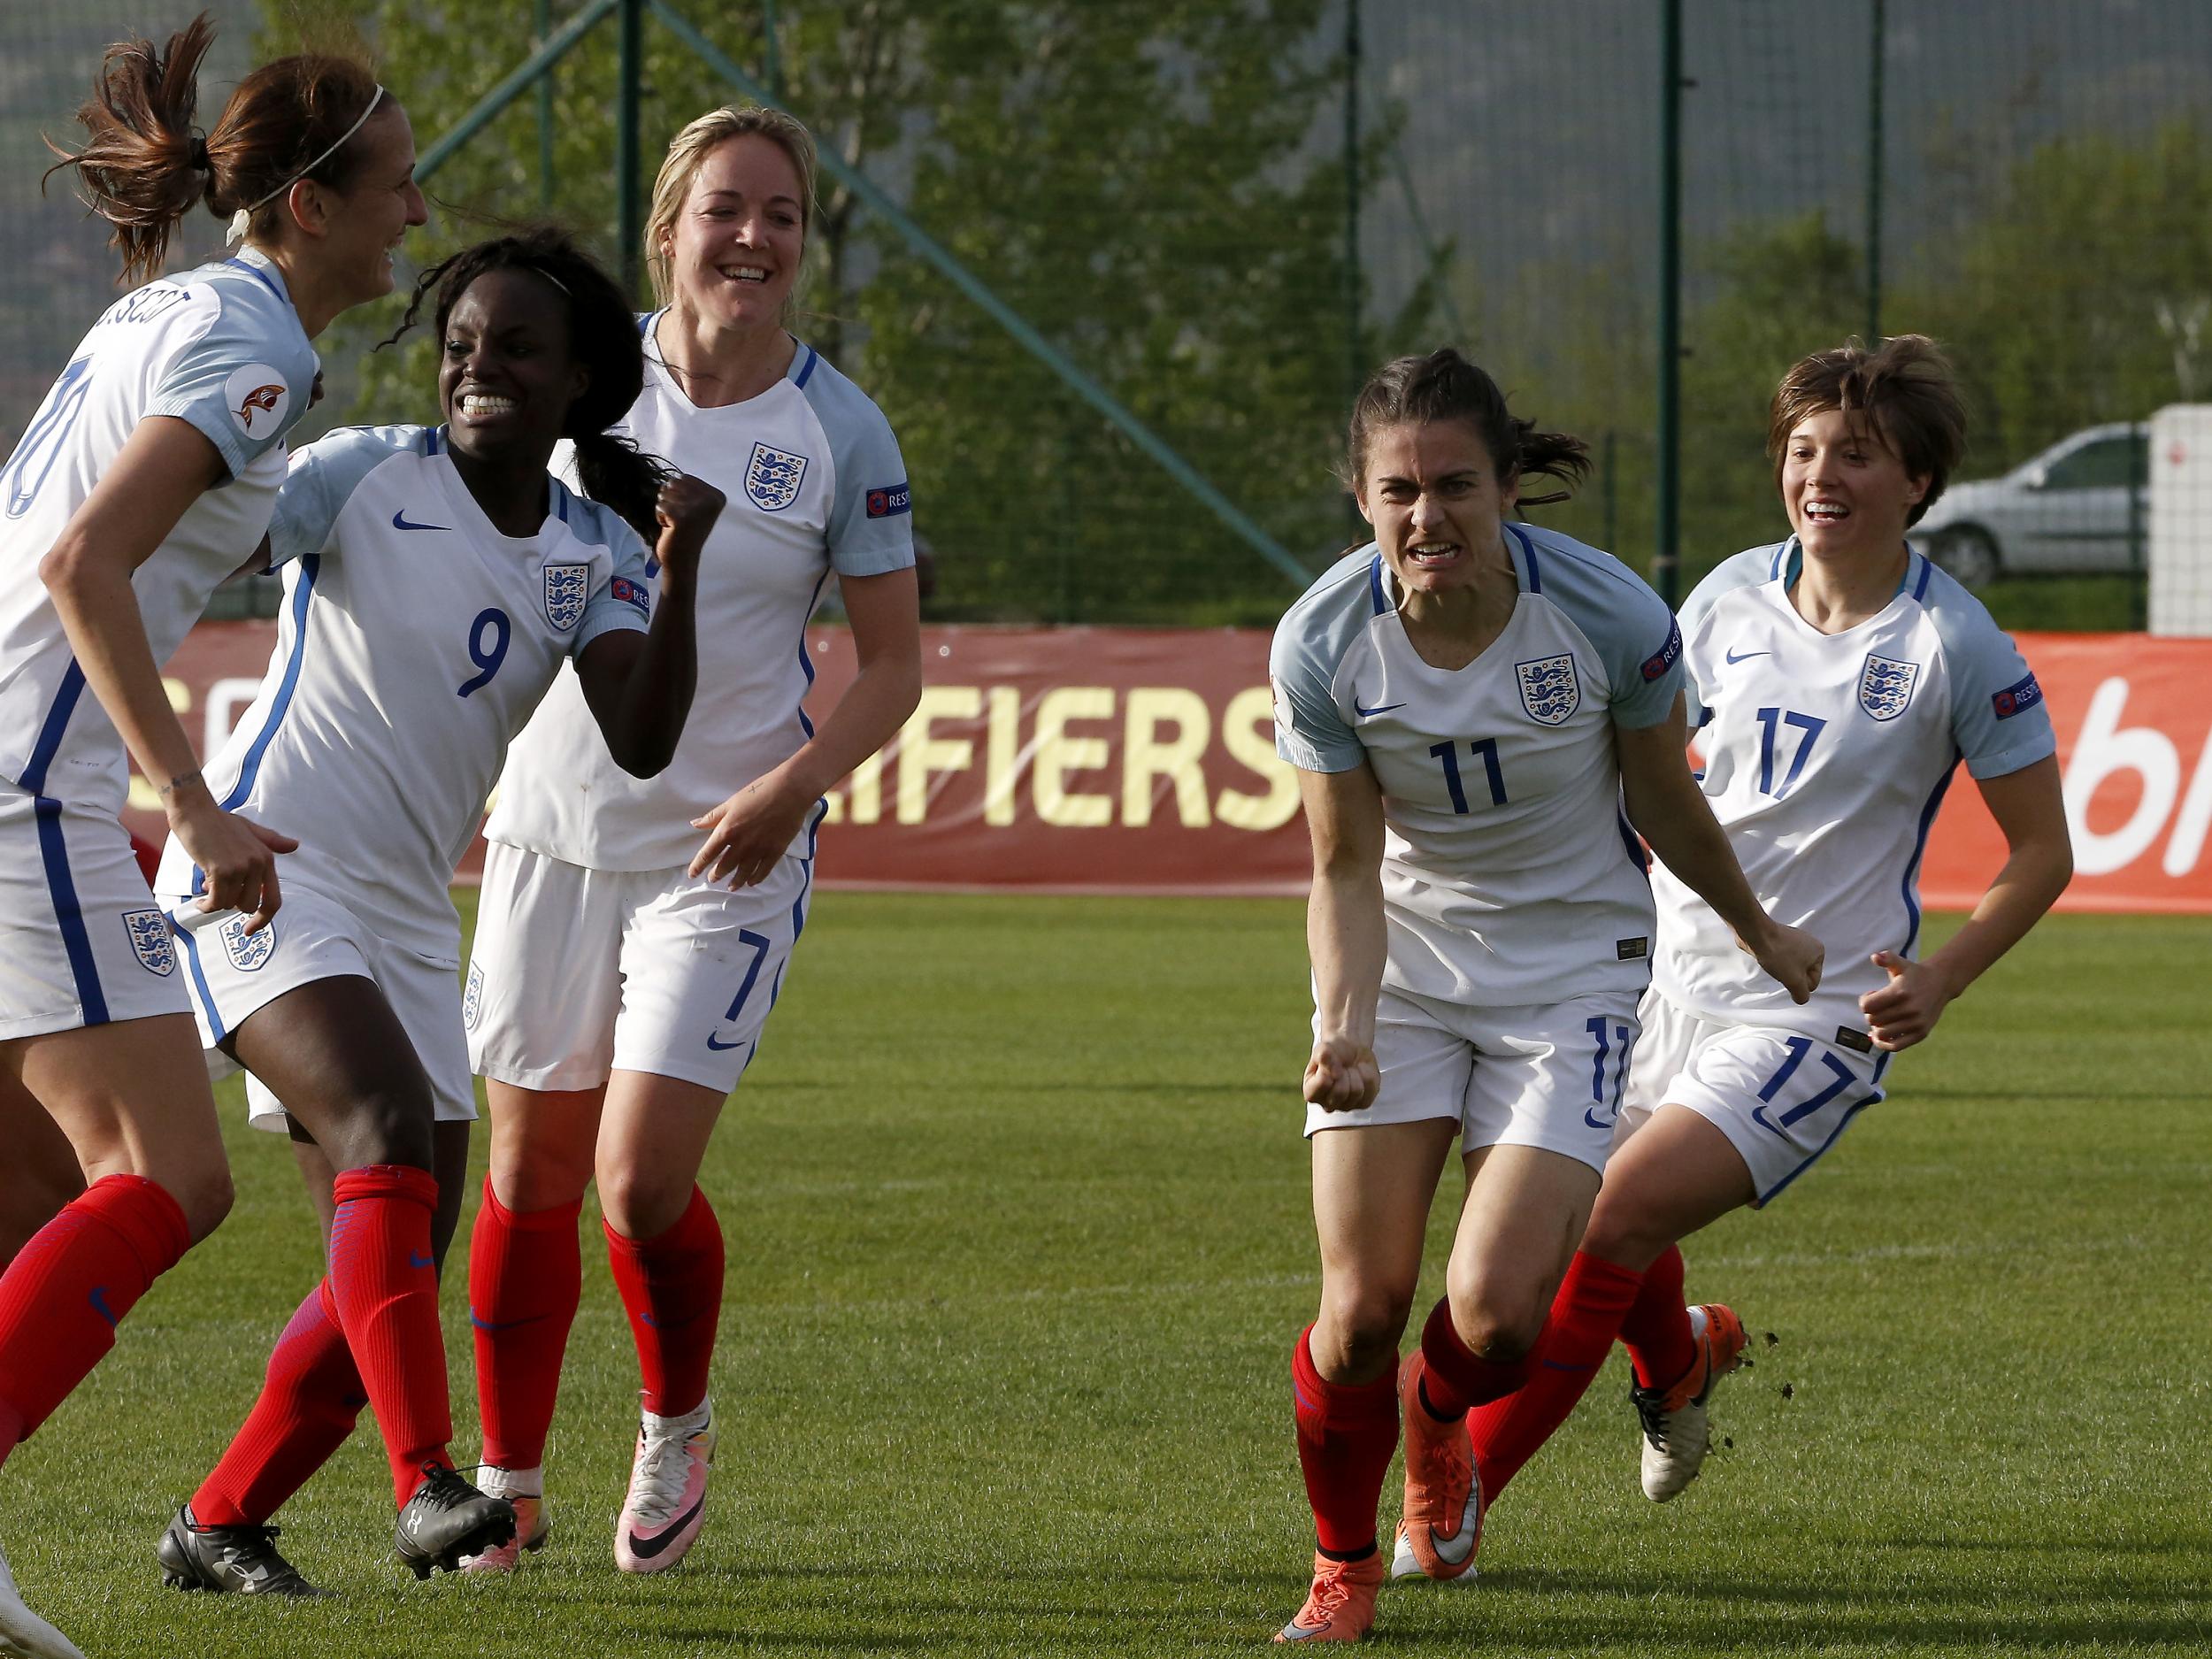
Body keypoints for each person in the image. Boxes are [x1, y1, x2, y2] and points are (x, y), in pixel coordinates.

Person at [146, 227, 723, 1593]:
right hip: (266, 866)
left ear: (578, 377)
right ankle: (425, 1484)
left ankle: (217, 1523)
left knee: (390, 1260)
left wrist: (684, 560)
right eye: (462, 343)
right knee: (382, 1137)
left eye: (516, 347)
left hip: (404, 915)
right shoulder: (356, 477)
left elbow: (643, 740)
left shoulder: (591, 551)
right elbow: (181, 548)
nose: (478, 368)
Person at [1455, 335, 2073, 1541]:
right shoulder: (1725, 594)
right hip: (1651, 984)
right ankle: (1683, 1360)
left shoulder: (1956, 646)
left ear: (1919, 483)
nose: (1821, 474)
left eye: (1857, 453)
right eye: (1803, 450)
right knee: (1573, 1219)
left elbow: (2044, 852)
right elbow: (1650, 768)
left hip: (1813, 1015)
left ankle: (1455, 1505)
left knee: (1617, 1215)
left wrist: (1940, 978)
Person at [1268, 349, 1823, 1643]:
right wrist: (1344, 1027)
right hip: (1404, 974)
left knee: (1498, 1320)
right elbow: (1343, 865)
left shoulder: (1611, 617)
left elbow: (1662, 799)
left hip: (1572, 972)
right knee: (1357, 1318)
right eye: (1398, 490)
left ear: (1509, 487)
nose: (1428, 516)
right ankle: (1341, 1574)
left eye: (1455, 484)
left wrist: (1758, 931)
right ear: (1362, 498)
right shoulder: (1320, 644)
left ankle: (1439, 1420)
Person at [0, 19, 424, 1655]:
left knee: (39, 1192)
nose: (416, 209)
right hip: (26, 789)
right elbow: (85, 565)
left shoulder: (168, 304)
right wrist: (190, 798)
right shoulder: (250, 344)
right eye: (394, 184)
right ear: (311, 207)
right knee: (171, 1175)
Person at [458, 104, 921, 1575]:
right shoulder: (582, 391)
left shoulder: (840, 429)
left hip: (725, 849)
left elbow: (896, 665)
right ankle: (507, 1485)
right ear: (671, 229)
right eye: (727, 208)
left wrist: (792, 787)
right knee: (527, 1176)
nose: (755, 237)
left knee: (636, 1182)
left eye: (781, 214)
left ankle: (674, 1424)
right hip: (547, 829)